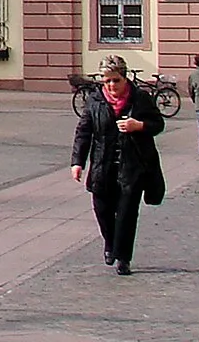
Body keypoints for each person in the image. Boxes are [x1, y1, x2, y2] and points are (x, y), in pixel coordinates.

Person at [70, 55, 166, 276]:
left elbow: (157, 124)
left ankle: (123, 258)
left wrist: (138, 125)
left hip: (132, 166)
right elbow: (84, 132)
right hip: (103, 165)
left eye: (115, 80)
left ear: (124, 78)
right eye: (107, 81)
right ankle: (110, 243)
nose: (111, 85)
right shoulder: (95, 101)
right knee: (102, 210)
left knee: (126, 213)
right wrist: (77, 162)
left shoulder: (140, 99)